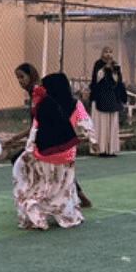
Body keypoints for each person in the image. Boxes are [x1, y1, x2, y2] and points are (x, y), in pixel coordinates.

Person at [12, 72, 95, 230]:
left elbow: (35, 129)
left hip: (44, 153)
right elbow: (86, 122)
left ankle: (34, 208)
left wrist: (29, 148)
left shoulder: (44, 104)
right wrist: (93, 140)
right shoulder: (75, 104)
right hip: (67, 152)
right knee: (64, 186)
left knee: (40, 184)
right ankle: (66, 213)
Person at [88, 47, 128, 157]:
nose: (108, 54)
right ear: (102, 53)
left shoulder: (116, 66)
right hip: (100, 98)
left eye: (110, 52)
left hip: (113, 99)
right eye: (106, 52)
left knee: (112, 124)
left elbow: (118, 81)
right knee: (100, 124)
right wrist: (105, 69)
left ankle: (111, 149)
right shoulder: (98, 64)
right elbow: (96, 79)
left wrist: (113, 70)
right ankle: (99, 149)